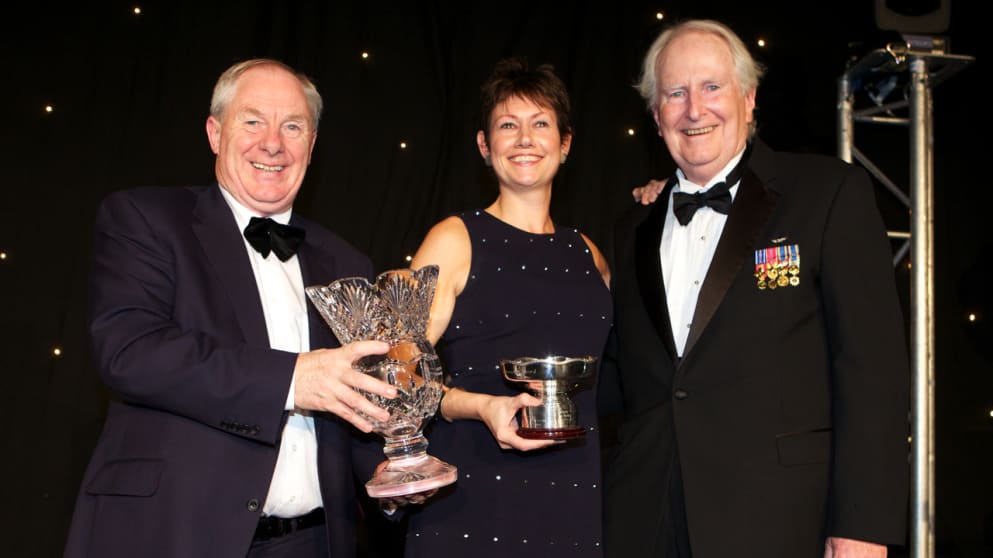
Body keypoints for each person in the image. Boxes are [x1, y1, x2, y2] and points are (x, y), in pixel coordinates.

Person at [64, 58, 401, 558]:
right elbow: (129, 352)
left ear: (311, 145)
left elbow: (353, 405)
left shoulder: (347, 261)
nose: (272, 142)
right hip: (173, 534)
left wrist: (389, 474)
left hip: (313, 544)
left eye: (293, 126)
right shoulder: (145, 218)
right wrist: (292, 379)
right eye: (252, 121)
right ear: (214, 132)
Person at [599, 19, 910, 558]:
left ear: (749, 98)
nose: (695, 109)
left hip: (781, 518)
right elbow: (623, 375)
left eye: (711, 86)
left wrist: (863, 525)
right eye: (676, 93)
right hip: (647, 519)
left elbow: (871, 371)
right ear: (656, 116)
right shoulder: (631, 228)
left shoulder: (828, 193)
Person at [402, 58, 612, 557]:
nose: (524, 139)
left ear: (565, 143)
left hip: (573, 498)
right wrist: (479, 406)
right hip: (473, 498)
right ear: (484, 145)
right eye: (507, 126)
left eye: (540, 124)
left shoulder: (591, 255)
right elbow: (398, 375)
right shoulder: (453, 239)